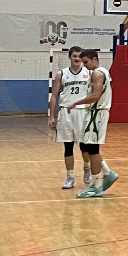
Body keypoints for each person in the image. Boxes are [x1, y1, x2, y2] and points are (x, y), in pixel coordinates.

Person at [66, 50, 120, 199]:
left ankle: (96, 186)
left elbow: (96, 96)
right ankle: (107, 173)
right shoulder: (103, 72)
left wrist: (76, 103)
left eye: (86, 62)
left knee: (93, 150)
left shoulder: (97, 73)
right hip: (96, 113)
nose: (84, 65)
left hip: (97, 113)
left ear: (94, 59)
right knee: (88, 147)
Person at [49, 45, 92, 189]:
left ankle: (87, 167)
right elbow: (54, 96)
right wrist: (52, 116)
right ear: (70, 57)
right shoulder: (61, 74)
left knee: (84, 146)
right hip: (66, 112)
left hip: (83, 112)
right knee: (68, 146)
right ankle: (70, 176)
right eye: (74, 56)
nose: (77, 59)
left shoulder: (89, 73)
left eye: (79, 56)